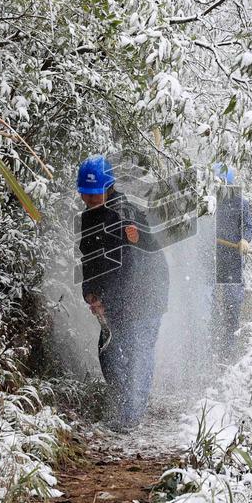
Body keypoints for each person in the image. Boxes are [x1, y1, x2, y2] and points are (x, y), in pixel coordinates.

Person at [76, 155, 169, 431]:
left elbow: (131, 265)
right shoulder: (90, 217)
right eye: (85, 193)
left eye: (94, 194)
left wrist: (110, 302)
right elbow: (91, 260)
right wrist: (91, 292)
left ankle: (130, 416)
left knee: (136, 352)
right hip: (118, 294)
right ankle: (123, 405)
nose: (89, 199)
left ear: (108, 187)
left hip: (146, 292)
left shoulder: (125, 215)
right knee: (109, 353)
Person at [212, 163, 252, 359]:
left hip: (232, 260)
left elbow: (248, 226)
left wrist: (245, 239)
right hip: (211, 260)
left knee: (232, 303)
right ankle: (210, 345)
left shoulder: (241, 203)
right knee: (209, 306)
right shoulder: (208, 203)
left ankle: (228, 349)